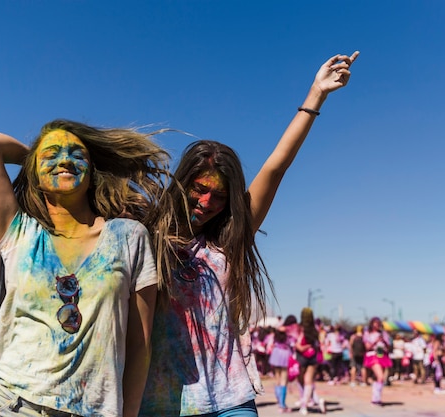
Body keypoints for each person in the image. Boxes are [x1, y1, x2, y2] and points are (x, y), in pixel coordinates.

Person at [139, 51, 359, 417]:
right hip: (161, 400)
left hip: (230, 400)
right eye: (199, 189)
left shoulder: (228, 238)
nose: (207, 202)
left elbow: (276, 166)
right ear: (183, 183)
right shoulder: (145, 236)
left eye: (220, 196)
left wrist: (315, 95)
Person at [0, 120, 168, 417]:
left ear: (92, 173)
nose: (65, 159)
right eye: (51, 154)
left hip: (91, 410)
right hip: (10, 403)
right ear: (34, 174)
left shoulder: (128, 236)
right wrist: (40, 160)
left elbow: (140, 345)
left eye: (77, 154)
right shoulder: (20, 233)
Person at [268, 314, 298, 412]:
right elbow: (293, 343)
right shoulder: (290, 331)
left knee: (277, 378)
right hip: (285, 354)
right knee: (284, 380)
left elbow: (272, 340)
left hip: (276, 353)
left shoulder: (278, 328)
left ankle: (279, 403)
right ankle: (282, 405)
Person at [363, 317, 392, 405]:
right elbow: (367, 347)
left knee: (379, 378)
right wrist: (376, 341)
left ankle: (376, 398)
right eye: (375, 323)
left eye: (378, 323)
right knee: (381, 377)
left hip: (382, 355)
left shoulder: (384, 334)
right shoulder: (368, 334)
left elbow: (389, 346)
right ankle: (376, 398)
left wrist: (384, 341)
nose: (377, 325)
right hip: (373, 355)